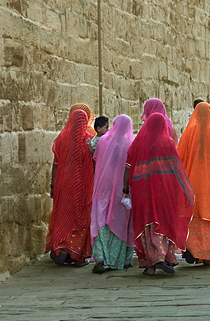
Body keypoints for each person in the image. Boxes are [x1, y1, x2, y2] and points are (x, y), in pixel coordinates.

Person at [122, 113, 194, 276]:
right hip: (165, 192)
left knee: (147, 224)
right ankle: (163, 256)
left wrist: (125, 189)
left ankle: (151, 265)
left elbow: (128, 167)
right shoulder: (167, 143)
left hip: (143, 192)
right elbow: (176, 168)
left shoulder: (138, 144)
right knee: (165, 221)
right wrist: (186, 190)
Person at [177, 102, 210, 266]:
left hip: (193, 180)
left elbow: (179, 157)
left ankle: (193, 250)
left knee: (195, 215)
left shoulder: (189, 133)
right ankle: (207, 254)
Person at [47, 109, 95, 267]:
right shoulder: (87, 140)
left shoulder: (61, 139)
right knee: (81, 216)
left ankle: (60, 245)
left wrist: (53, 183)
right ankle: (77, 253)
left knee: (63, 214)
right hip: (81, 186)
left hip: (64, 184)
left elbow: (55, 164)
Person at [91, 115, 135, 274]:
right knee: (119, 221)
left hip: (103, 187)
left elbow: (95, 158)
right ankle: (120, 259)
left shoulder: (102, 141)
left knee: (101, 219)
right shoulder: (128, 144)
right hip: (120, 190)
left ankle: (101, 257)